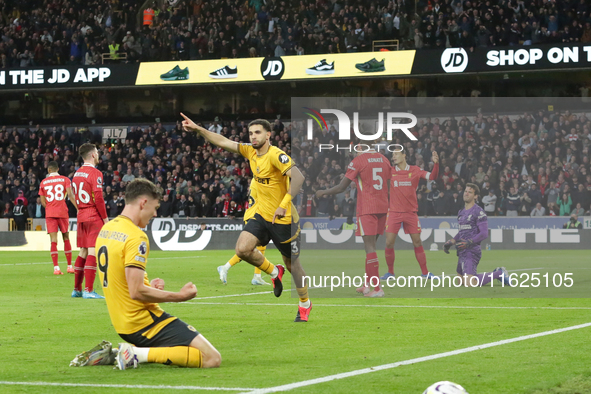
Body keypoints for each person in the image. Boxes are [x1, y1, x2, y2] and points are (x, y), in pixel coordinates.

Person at [72, 179, 221, 370]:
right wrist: (179, 296)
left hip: (122, 324)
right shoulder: (136, 236)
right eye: (155, 206)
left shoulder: (106, 230)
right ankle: (134, 354)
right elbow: (136, 291)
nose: (156, 213)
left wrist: (150, 287)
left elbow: (122, 282)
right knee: (211, 358)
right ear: (143, 203)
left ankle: (117, 353)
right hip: (144, 323)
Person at [181, 114, 310, 322]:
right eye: (250, 133)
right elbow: (223, 141)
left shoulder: (277, 155)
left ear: (268, 135)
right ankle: (274, 273)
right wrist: (198, 129)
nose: (253, 137)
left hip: (284, 220)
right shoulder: (250, 151)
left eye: (257, 133)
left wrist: (283, 205)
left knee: (293, 265)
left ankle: (305, 303)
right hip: (261, 215)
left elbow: (299, 178)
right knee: (242, 249)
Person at [315, 145, 391, 297]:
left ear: (362, 147)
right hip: (383, 207)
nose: (356, 152)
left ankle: (377, 289)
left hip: (367, 208)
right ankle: (367, 285)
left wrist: (323, 192)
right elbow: (389, 183)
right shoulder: (384, 159)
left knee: (369, 247)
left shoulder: (359, 160)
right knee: (371, 247)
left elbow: (342, 187)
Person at [384, 149, 439, 280]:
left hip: (410, 213)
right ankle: (390, 273)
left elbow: (432, 177)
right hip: (394, 212)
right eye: (392, 155)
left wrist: (436, 164)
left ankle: (425, 273)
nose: (394, 157)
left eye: (396, 154)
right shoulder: (390, 171)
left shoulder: (415, 170)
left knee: (417, 241)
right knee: (389, 243)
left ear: (404, 155)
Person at [443, 183, 511, 287]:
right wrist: (451, 242)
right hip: (462, 250)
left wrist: (469, 242)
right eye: (466, 191)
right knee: (460, 282)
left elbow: (484, 233)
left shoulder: (478, 211)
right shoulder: (461, 212)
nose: (466, 193)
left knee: (470, 283)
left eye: (470, 192)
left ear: (475, 196)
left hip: (472, 250)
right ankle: (477, 275)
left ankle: (499, 273)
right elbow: (462, 231)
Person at [71, 143, 109, 299]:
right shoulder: (96, 173)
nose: (98, 155)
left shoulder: (77, 173)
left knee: (83, 251)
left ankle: (77, 289)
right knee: (93, 250)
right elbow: (98, 198)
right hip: (93, 215)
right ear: (93, 155)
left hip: (81, 215)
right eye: (97, 152)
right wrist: (106, 220)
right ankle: (88, 290)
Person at [217, 180, 270, 286]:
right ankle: (225, 267)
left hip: (254, 216)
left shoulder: (256, 182)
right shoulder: (260, 182)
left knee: (261, 247)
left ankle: (257, 276)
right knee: (247, 250)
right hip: (254, 217)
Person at [39, 161, 78, 275]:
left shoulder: (43, 182)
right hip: (62, 212)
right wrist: (78, 208)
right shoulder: (65, 180)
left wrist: (50, 208)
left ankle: (56, 268)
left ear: (49, 170)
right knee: (66, 237)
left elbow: (42, 201)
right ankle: (70, 266)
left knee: (53, 240)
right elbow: (70, 195)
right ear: (57, 169)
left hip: (50, 213)